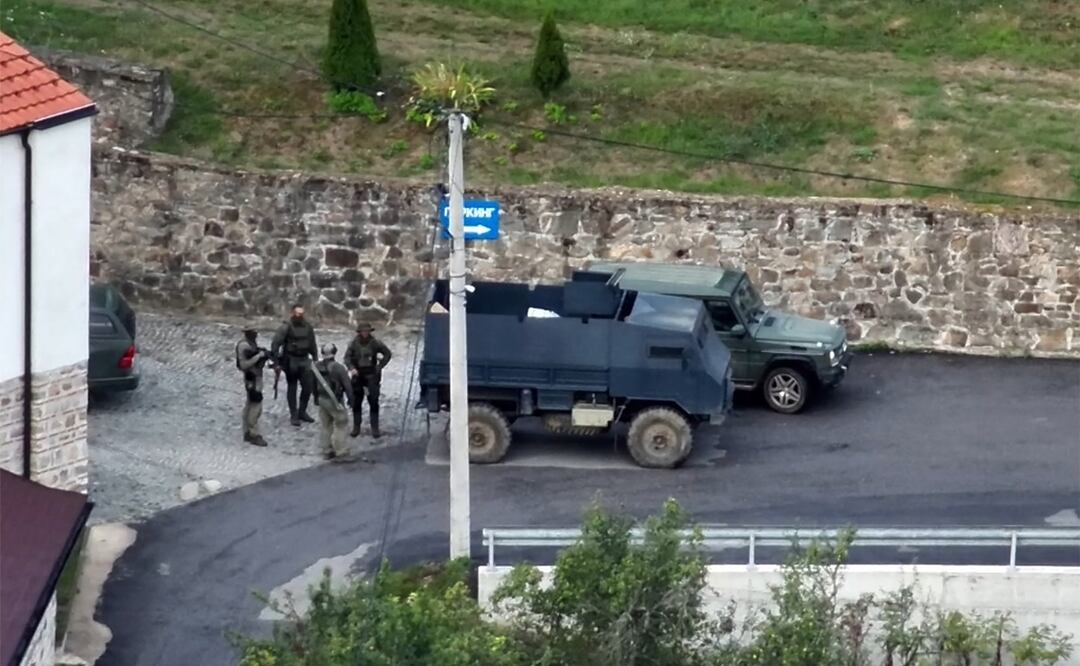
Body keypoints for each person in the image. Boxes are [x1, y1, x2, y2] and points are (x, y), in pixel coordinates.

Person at [271, 304, 319, 427]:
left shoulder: (308, 327)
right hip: (291, 360)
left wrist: (315, 358)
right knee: (292, 388)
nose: (300, 316)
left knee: (308, 387)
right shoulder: (285, 327)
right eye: (298, 313)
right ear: (293, 313)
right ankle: (293, 414)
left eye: (302, 314)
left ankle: (302, 412)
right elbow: (275, 344)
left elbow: (312, 343)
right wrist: (276, 362)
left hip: (304, 360)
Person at [344, 322, 392, 438]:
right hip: (358, 376)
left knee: (374, 402)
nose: (365, 333)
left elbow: (387, 354)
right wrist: (351, 368)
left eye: (367, 331)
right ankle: (356, 427)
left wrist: (380, 366)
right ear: (360, 332)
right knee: (356, 402)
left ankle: (375, 428)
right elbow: (347, 358)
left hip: (371, 375)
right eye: (363, 331)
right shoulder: (354, 343)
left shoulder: (375, 343)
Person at [312, 343, 356, 462]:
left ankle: (326, 450)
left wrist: (315, 398)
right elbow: (347, 385)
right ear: (335, 352)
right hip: (335, 400)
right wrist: (351, 400)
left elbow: (312, 385)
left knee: (326, 425)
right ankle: (341, 451)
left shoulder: (315, 367)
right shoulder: (338, 368)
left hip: (322, 399)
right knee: (341, 425)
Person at [235, 326, 269, 447]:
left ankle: (247, 431)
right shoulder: (244, 346)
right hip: (252, 378)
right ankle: (252, 433)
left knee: (250, 404)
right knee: (255, 405)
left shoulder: (250, 344)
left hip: (255, 377)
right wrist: (259, 356)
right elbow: (244, 364)